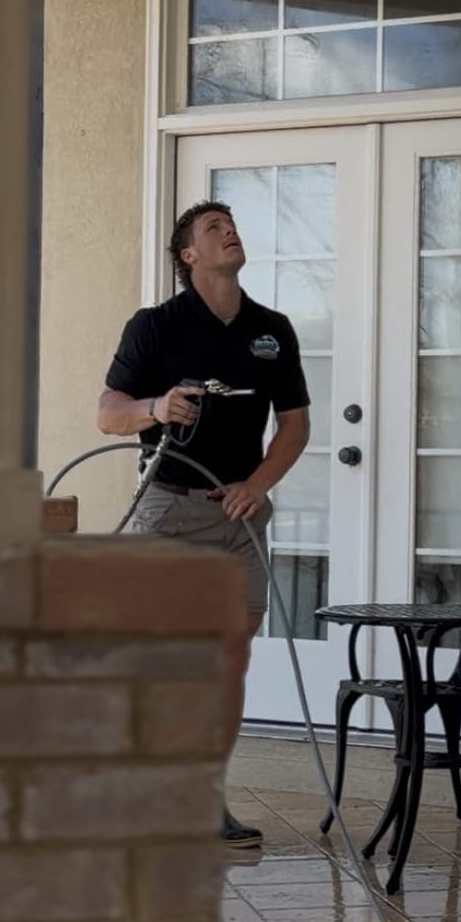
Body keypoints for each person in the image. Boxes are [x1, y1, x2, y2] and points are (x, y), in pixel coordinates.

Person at [96, 200, 311, 846]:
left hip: (238, 517)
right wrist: (156, 406)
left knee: (226, 664)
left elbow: (295, 425)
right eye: (212, 228)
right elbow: (107, 414)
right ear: (187, 254)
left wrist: (258, 483)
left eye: (232, 224)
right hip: (169, 511)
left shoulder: (271, 328)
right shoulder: (155, 326)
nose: (229, 232)